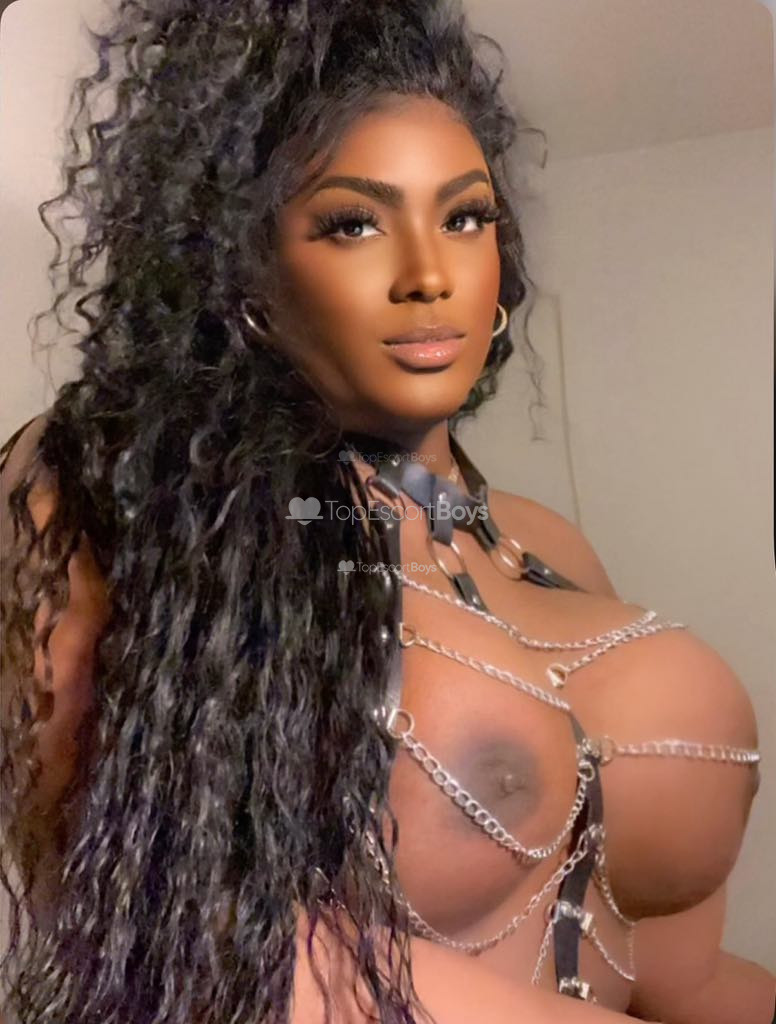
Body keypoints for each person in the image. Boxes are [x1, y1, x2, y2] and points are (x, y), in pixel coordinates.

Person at [1, 1, 773, 1022]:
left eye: (465, 217)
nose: (428, 275)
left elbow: (677, 972)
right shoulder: (117, 492)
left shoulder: (548, 544)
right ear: (244, 272)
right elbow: (172, 944)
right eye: (353, 223)